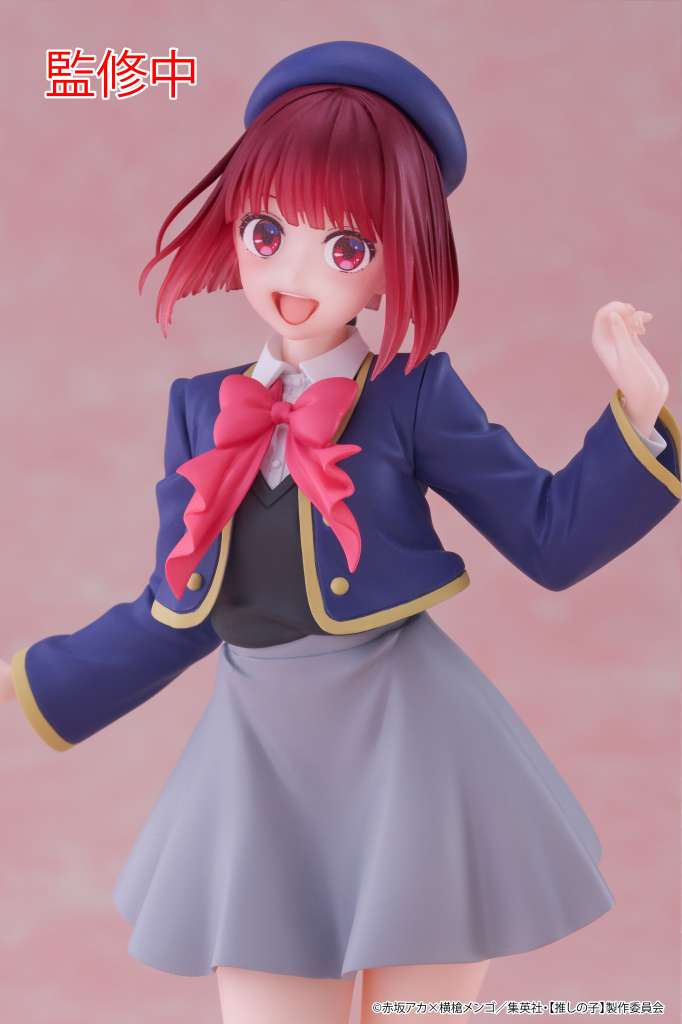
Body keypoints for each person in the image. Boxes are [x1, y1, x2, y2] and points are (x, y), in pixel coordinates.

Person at [2, 41, 679, 1024]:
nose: (295, 272)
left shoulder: (411, 394)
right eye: (267, 230)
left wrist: (639, 416)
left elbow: (550, 536)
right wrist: (31, 680)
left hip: (411, 746)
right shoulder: (201, 408)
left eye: (347, 248)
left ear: (399, 260)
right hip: (262, 758)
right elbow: (178, 608)